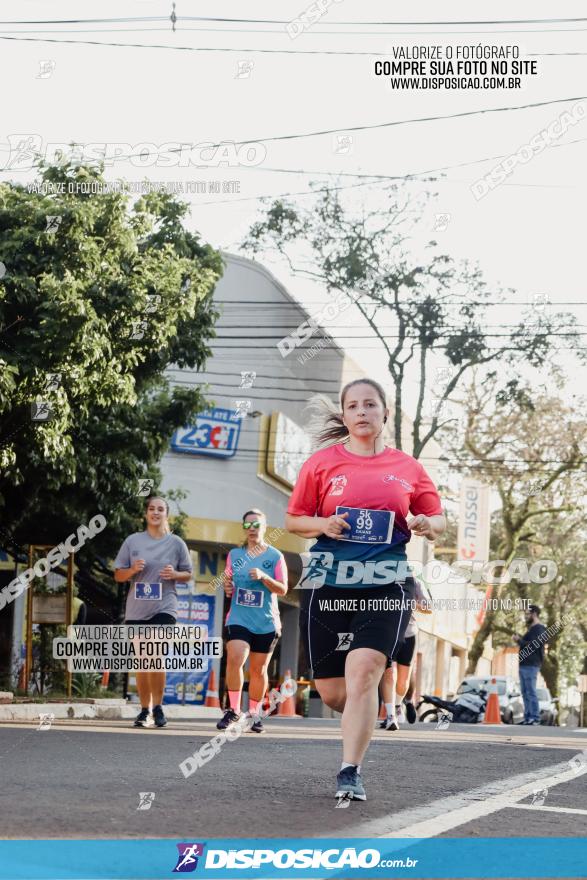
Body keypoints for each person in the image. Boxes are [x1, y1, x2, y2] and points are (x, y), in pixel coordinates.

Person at [286, 379, 445, 801]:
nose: (361, 412)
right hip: (327, 577)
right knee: (335, 691)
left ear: (384, 414)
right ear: (344, 414)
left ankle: (349, 771)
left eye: (370, 405)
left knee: (365, 671)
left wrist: (429, 525)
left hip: (385, 579)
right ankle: (364, 708)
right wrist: (322, 524)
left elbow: (438, 516)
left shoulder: (408, 467)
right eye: (353, 405)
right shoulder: (320, 464)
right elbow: (293, 519)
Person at [114, 495, 193, 728]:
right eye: (151, 509)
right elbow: (118, 575)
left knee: (155, 654)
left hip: (165, 606)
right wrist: (132, 569)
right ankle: (144, 709)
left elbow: (188, 573)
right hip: (137, 609)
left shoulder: (176, 543)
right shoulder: (133, 541)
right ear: (146, 514)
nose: (155, 512)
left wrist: (175, 574)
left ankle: (158, 707)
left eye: (160, 509)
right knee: (142, 661)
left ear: (166, 515)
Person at [217, 509, 288, 734]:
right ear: (244, 528)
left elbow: (283, 589)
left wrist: (265, 577)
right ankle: (235, 709)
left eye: (256, 524)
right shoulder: (235, 555)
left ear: (264, 527)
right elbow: (228, 582)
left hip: (266, 622)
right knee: (236, 656)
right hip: (239, 617)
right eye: (247, 525)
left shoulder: (275, 556)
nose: (252, 529)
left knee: (258, 670)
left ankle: (254, 713)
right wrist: (227, 587)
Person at [379, 578, 432, 730]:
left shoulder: (415, 583)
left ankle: (398, 705)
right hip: (387, 633)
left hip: (409, 633)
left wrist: (410, 602)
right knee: (389, 674)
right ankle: (390, 716)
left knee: (403, 681)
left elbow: (429, 608)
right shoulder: (381, 579)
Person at [514, 604, 548, 726]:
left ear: (534, 614)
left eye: (527, 614)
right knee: (525, 691)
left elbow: (532, 646)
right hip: (524, 664)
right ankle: (528, 717)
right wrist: (520, 640)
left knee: (531, 691)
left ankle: (535, 717)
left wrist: (519, 640)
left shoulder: (539, 629)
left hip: (531, 665)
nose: (526, 616)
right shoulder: (531, 629)